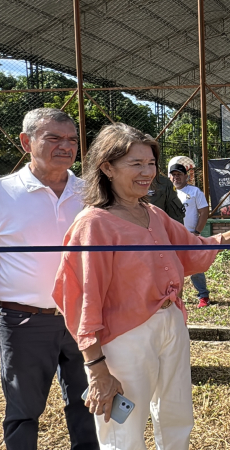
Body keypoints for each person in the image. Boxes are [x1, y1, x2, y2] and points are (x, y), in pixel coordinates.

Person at [52, 123, 230, 449]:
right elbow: (83, 298)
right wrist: (96, 367)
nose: (148, 172)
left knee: (177, 415)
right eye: (136, 164)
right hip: (125, 338)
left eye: (151, 164)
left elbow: (193, 251)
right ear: (106, 167)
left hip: (170, 322)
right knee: (123, 429)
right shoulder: (93, 225)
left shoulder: (153, 213)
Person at [0, 108, 98, 450]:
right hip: (23, 320)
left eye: (72, 139)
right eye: (53, 138)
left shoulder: (92, 195)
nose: (65, 146)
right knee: (23, 410)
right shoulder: (3, 194)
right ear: (27, 142)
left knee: (90, 406)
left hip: (84, 318)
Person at [169, 162, 212, 308]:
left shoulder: (194, 192)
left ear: (186, 176)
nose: (176, 177)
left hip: (189, 237)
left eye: (179, 174)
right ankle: (172, 296)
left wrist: (197, 232)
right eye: (174, 175)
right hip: (170, 237)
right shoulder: (168, 192)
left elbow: (204, 212)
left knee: (195, 267)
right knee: (170, 267)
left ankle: (203, 296)